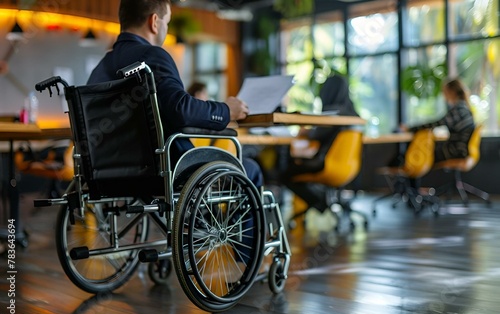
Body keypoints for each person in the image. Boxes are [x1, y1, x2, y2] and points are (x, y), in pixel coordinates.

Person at [87, 0, 262, 189]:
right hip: (167, 170)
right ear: (154, 22)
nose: (166, 28)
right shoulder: (152, 56)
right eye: (167, 22)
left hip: (109, 174)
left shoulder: (100, 69)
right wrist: (226, 110)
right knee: (250, 169)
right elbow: (181, 109)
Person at [281, 74, 360, 213]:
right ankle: (322, 200)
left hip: (326, 164)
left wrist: (307, 132)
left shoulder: (334, 114)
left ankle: (319, 201)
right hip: (350, 167)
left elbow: (317, 135)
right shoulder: (354, 116)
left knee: (285, 173)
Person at [401, 78, 475, 163]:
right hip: (461, 150)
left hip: (456, 151)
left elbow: (437, 123)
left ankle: (403, 172)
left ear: (451, 92)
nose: (443, 95)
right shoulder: (464, 108)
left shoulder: (458, 110)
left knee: (420, 155)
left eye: (444, 92)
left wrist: (411, 129)